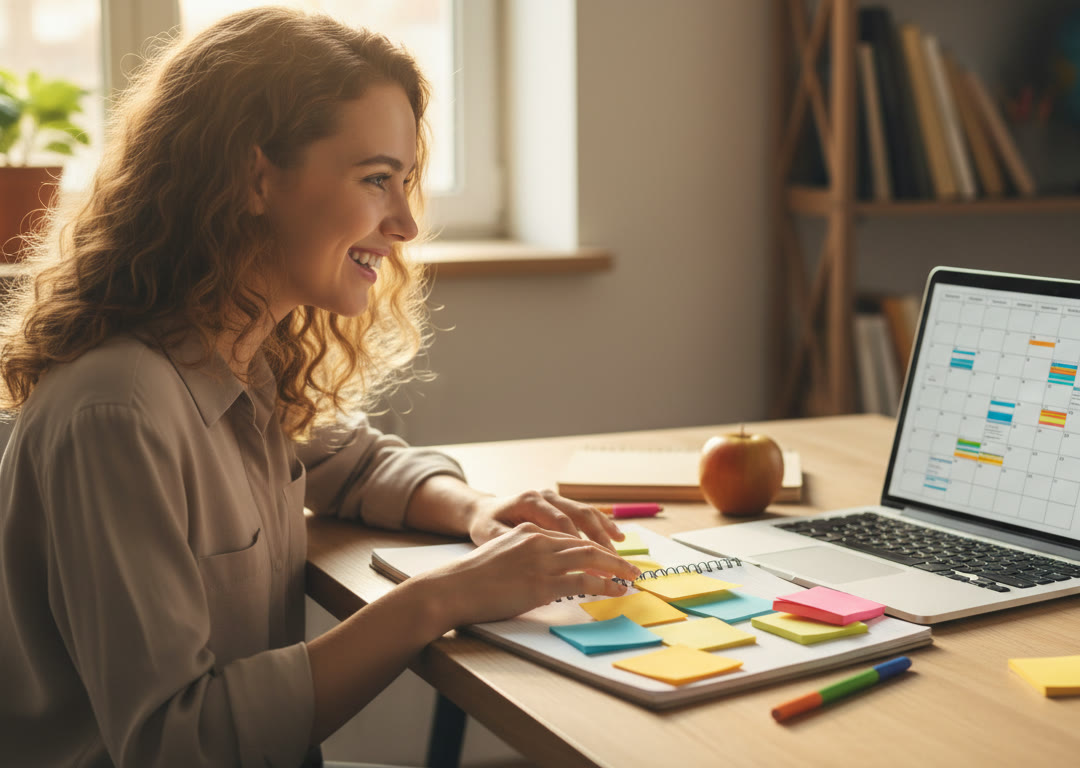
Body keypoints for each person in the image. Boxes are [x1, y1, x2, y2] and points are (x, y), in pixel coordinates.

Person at [0, 7, 640, 766]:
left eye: (405, 183)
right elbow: (177, 743)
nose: (404, 224)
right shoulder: (120, 411)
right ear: (255, 178)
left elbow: (355, 462)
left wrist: (478, 509)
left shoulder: (238, 351)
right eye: (376, 180)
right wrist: (445, 596)